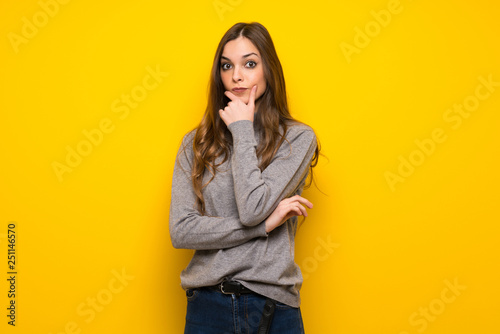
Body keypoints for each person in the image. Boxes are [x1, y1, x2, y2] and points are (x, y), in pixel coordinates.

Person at [169, 21, 320, 334]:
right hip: (207, 307)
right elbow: (182, 231)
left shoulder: (297, 139)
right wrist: (264, 226)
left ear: (269, 70)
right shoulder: (195, 143)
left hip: (272, 306)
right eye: (227, 65)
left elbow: (252, 207)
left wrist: (241, 129)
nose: (236, 75)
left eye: (249, 63)